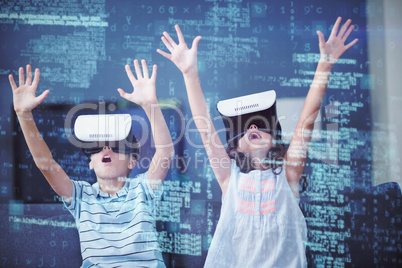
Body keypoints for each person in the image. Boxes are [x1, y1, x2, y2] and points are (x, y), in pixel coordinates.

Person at [157, 17, 358, 267]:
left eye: (261, 125)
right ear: (234, 148)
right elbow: (205, 128)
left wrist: (325, 65)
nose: (253, 127)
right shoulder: (230, 178)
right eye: (245, 128)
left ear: (276, 141)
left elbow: (307, 119)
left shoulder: (288, 175)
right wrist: (189, 73)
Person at [9, 59, 174, 268]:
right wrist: (24, 115)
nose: (106, 149)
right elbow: (46, 165)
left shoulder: (143, 189)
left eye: (116, 145)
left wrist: (151, 105)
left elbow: (165, 153)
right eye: (98, 147)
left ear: (132, 161)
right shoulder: (81, 196)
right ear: (90, 163)